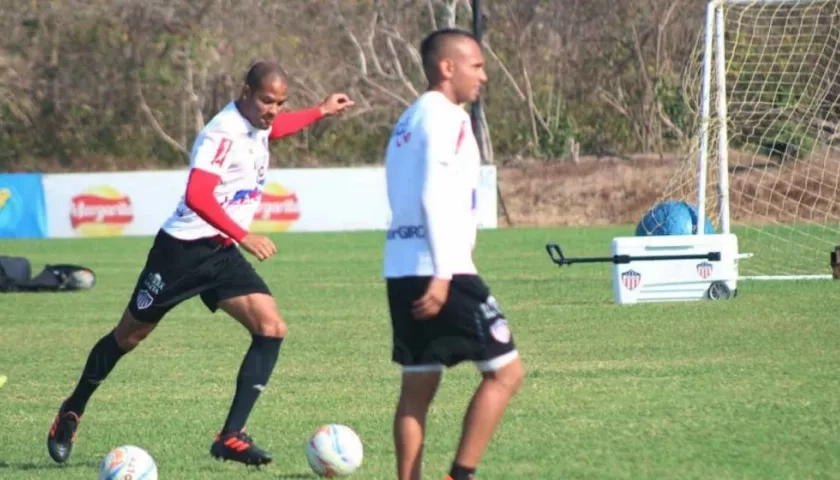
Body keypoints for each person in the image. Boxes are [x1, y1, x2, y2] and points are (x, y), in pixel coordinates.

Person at [47, 61, 355, 467]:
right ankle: (72, 409)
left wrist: (320, 110)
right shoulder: (220, 133)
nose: (273, 110)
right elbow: (197, 194)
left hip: (221, 254)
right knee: (128, 337)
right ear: (245, 91)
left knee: (272, 327)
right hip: (181, 253)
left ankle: (230, 437)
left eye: (280, 103)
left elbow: (273, 130)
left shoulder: (258, 124)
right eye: (266, 100)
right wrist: (245, 235)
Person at [382, 28, 525, 480]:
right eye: (477, 65)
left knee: (418, 386)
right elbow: (432, 194)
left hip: (401, 266)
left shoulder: (407, 121)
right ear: (448, 68)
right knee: (506, 372)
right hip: (443, 268)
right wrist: (444, 274)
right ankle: (459, 476)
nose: (484, 75)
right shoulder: (448, 118)